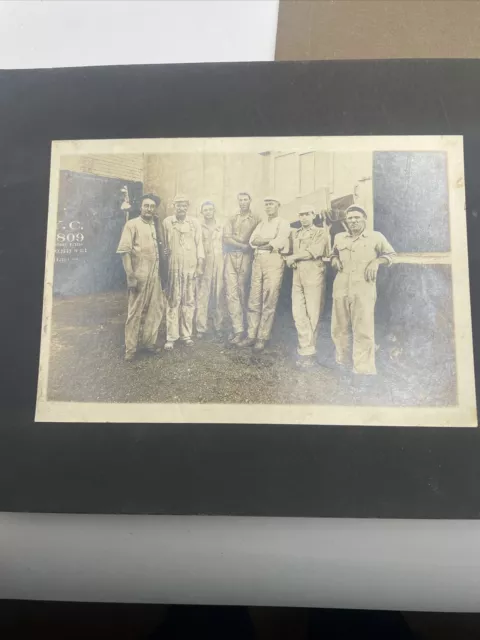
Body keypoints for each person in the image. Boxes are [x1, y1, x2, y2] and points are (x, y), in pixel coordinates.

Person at [330, 204, 396, 377]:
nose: (353, 221)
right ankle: (342, 362)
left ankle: (363, 369)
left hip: (363, 287)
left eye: (357, 217)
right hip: (341, 287)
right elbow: (332, 254)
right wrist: (334, 259)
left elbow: (391, 255)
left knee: (363, 328)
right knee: (339, 327)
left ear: (364, 219)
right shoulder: (339, 237)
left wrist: (376, 262)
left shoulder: (375, 237)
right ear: (346, 221)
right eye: (350, 218)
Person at [237, 196, 291, 353]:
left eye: (271, 204)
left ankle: (262, 337)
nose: (268, 207)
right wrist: (266, 241)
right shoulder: (261, 224)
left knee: (269, 297)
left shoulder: (283, 223)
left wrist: (265, 241)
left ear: (278, 205)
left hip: (274, 260)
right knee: (254, 297)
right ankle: (251, 335)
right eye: (266, 204)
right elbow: (253, 242)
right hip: (258, 259)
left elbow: (279, 242)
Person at [116, 193, 165, 361]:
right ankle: (130, 349)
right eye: (146, 205)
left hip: (156, 272)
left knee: (156, 308)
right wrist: (130, 276)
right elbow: (124, 252)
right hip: (139, 273)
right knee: (135, 311)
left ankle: (148, 343)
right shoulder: (132, 224)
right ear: (141, 207)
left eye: (152, 206)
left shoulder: (156, 225)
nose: (149, 209)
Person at [285, 205, 330, 368]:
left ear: (313, 215)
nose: (304, 217)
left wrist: (294, 257)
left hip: (313, 270)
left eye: (307, 214)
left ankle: (309, 352)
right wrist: (291, 259)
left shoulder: (321, 232)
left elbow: (315, 251)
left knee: (313, 312)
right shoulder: (296, 233)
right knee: (298, 312)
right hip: (298, 272)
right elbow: (287, 250)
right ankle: (305, 347)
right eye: (301, 214)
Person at [163, 195, 205, 350]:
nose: (181, 208)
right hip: (174, 267)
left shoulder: (194, 223)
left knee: (188, 300)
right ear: (174, 206)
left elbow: (199, 244)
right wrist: (165, 253)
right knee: (173, 300)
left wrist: (200, 265)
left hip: (190, 266)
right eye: (178, 205)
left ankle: (186, 334)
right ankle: (171, 337)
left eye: (184, 205)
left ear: (188, 207)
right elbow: (164, 244)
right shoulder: (167, 222)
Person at [223, 192, 262, 344]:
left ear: (250, 201)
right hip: (232, 256)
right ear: (237, 201)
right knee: (231, 292)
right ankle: (237, 329)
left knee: (244, 291)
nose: (243, 202)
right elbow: (226, 238)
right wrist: (241, 244)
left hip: (247, 258)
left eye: (246, 200)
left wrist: (245, 245)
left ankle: (250, 330)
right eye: (240, 200)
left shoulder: (256, 219)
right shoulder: (232, 217)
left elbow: (256, 238)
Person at [195, 200, 226, 340]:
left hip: (220, 262)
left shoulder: (221, 225)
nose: (208, 212)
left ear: (214, 211)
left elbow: (225, 243)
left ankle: (218, 326)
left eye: (210, 209)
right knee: (203, 294)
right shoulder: (198, 226)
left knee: (219, 294)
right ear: (202, 212)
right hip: (205, 263)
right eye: (205, 210)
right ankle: (201, 327)